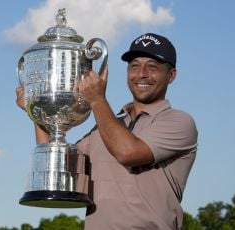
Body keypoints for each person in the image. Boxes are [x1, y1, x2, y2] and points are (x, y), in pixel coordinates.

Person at [16, 32, 198, 229]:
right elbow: (58, 166)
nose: (142, 74)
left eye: (152, 67)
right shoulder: (107, 126)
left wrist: (97, 99)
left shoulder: (179, 122)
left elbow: (127, 152)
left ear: (171, 75)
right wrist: (37, 111)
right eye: (134, 66)